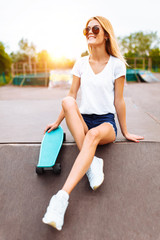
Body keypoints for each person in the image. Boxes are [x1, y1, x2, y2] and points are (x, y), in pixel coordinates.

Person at [42, 16, 144, 231]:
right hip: (84, 120)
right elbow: (71, 94)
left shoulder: (116, 65)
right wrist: (57, 121)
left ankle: (61, 198)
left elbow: (119, 101)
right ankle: (92, 163)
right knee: (67, 101)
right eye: (87, 29)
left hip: (105, 123)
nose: (90, 32)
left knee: (92, 136)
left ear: (105, 34)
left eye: (95, 28)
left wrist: (125, 131)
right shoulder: (80, 63)